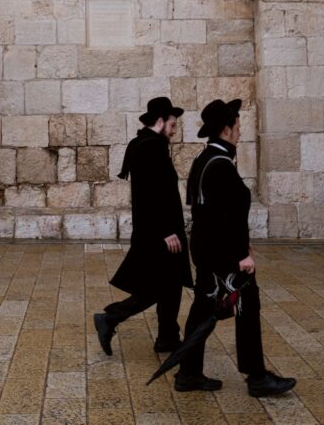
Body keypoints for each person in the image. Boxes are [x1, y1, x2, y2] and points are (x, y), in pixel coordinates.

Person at [174, 98, 296, 397]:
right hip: (223, 254)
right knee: (247, 305)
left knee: (203, 308)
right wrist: (242, 254)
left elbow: (210, 212)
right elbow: (225, 217)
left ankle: (188, 373)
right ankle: (257, 378)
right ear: (226, 130)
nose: (241, 132)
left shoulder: (206, 160)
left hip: (207, 249)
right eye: (238, 127)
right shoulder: (219, 166)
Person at [94, 97, 193, 356]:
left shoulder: (145, 144)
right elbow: (151, 194)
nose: (174, 130)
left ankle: (168, 337)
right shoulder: (151, 147)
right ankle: (110, 318)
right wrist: (167, 231)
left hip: (156, 230)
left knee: (170, 285)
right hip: (160, 233)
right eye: (172, 124)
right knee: (157, 288)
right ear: (160, 122)